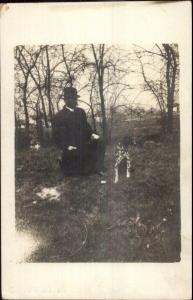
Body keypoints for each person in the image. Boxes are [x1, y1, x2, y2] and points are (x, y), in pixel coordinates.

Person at [53, 87, 105, 176]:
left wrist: (92, 134)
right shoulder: (60, 116)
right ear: (65, 100)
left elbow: (86, 127)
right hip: (71, 148)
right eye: (69, 98)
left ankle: (98, 167)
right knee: (79, 172)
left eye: (74, 98)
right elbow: (57, 136)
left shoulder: (81, 112)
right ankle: (65, 164)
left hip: (83, 145)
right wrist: (66, 146)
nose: (73, 100)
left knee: (100, 142)